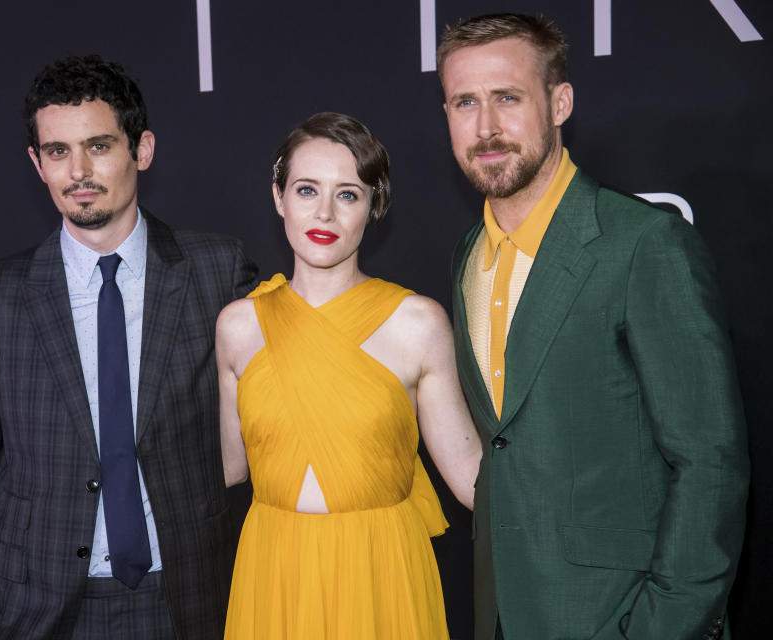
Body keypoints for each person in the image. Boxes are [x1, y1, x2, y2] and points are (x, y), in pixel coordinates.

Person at [437, 13, 750, 640]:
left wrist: (663, 626)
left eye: (507, 97)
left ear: (560, 102)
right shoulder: (468, 256)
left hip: (620, 615)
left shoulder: (644, 244)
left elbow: (709, 462)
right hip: (502, 615)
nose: (486, 126)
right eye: (464, 102)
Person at [0, 55, 257, 640]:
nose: (79, 170)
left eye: (99, 145)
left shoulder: (218, 271)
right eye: (58, 151)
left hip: (186, 598)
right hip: (36, 607)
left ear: (143, 149)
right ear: (37, 163)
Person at [216, 112, 482, 639]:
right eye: (307, 189)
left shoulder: (418, 323)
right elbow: (229, 469)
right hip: (275, 571)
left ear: (373, 207)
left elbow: (473, 477)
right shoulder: (238, 326)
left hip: (381, 569)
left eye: (348, 194)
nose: (324, 212)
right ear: (279, 197)